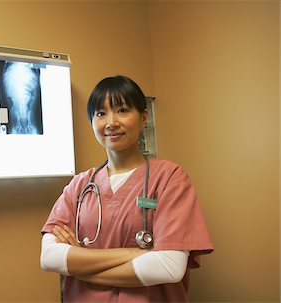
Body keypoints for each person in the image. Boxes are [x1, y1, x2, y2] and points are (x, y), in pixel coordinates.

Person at [40, 75, 213, 302]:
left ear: (143, 118)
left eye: (122, 110)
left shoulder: (170, 179)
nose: (111, 122)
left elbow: (168, 267)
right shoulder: (79, 186)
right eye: (101, 113)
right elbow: (49, 258)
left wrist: (79, 265)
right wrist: (135, 254)